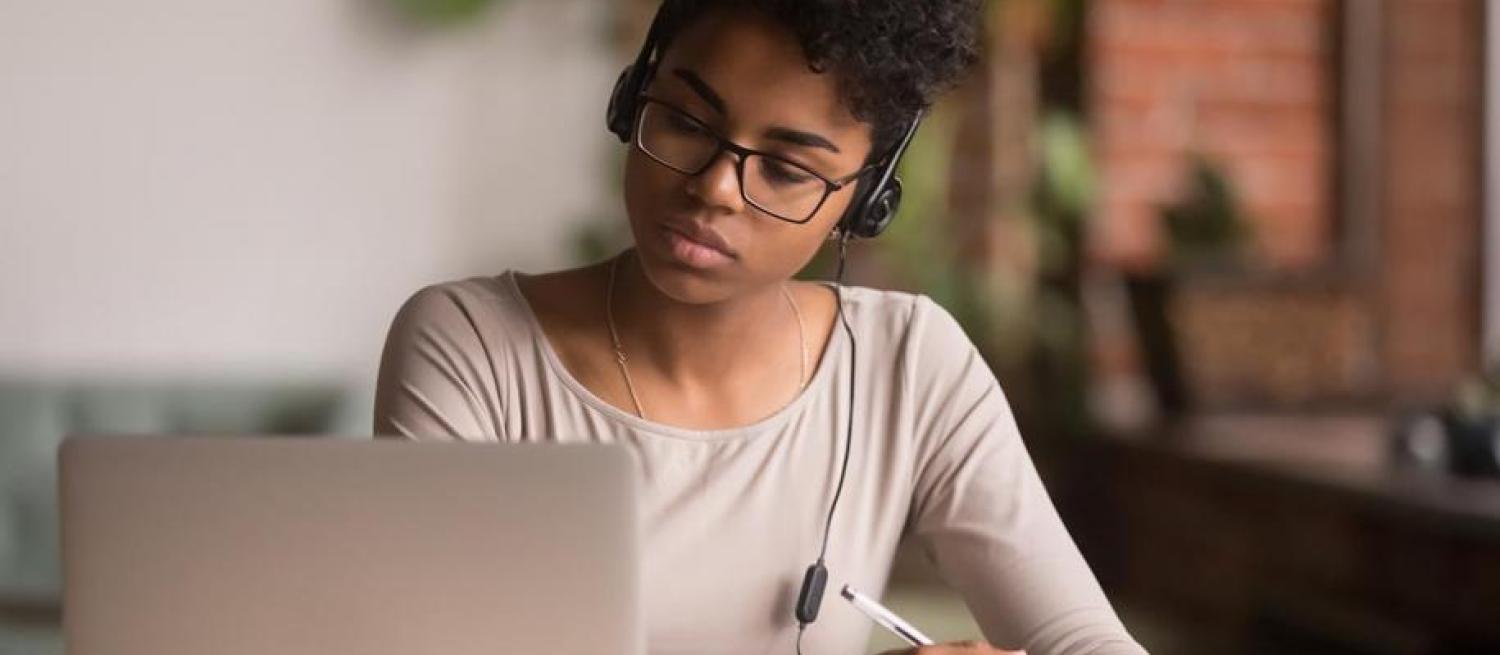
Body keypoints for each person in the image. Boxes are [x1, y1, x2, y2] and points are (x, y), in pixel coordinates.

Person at [374, 1, 1148, 653]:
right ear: (630, 98)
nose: (713, 188)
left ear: (865, 199)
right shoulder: (470, 346)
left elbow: (1087, 640)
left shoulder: (912, 364)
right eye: (683, 120)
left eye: (786, 168)